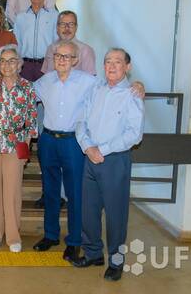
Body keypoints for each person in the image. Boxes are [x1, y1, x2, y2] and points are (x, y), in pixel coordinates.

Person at [73, 48, 145, 282]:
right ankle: (93, 253)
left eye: (117, 62)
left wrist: (101, 150)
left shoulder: (132, 95)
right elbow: (81, 121)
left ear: (127, 67)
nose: (111, 66)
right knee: (89, 210)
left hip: (114, 160)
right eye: (107, 62)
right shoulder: (96, 89)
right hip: (90, 157)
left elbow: (134, 134)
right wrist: (88, 147)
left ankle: (116, 261)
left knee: (116, 215)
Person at [32, 41, 97, 262]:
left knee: (74, 193)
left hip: (73, 142)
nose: (61, 60)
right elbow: (23, 94)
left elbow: (111, 88)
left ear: (75, 60)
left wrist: (136, 85)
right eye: (58, 56)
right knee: (50, 191)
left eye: (66, 56)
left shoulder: (88, 82)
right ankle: (51, 235)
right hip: (48, 140)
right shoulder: (44, 81)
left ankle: (74, 241)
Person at [0, 45, 37, 253]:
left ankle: (13, 236)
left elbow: (31, 121)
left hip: (16, 142)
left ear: (19, 64)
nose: (7, 65)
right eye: (3, 61)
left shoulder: (28, 87)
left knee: (12, 191)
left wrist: (25, 150)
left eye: (12, 61)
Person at [13, 0, 58, 82]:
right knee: (25, 92)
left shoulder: (54, 16)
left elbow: (57, 43)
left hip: (46, 66)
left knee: (45, 93)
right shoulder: (20, 17)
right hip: (25, 66)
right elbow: (16, 43)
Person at [42, 10, 97, 75]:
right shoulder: (50, 48)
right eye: (63, 24)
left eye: (71, 24)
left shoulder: (86, 51)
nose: (67, 28)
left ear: (76, 27)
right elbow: (45, 76)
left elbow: (90, 79)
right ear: (57, 27)